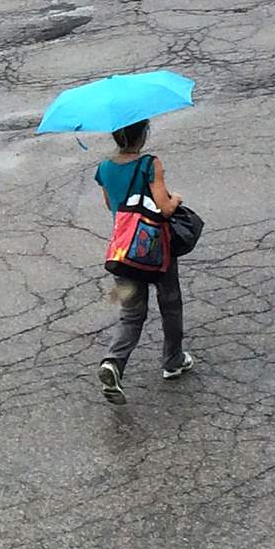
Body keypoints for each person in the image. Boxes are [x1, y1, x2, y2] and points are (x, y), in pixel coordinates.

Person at [93, 118, 193, 405]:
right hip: (154, 248)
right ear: (144, 133)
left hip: (123, 251)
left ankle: (113, 362)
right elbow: (163, 207)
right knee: (170, 302)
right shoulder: (151, 164)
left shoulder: (104, 168)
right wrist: (176, 199)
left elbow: (110, 205)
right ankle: (172, 360)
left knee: (132, 313)